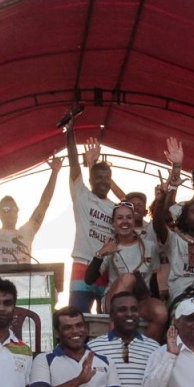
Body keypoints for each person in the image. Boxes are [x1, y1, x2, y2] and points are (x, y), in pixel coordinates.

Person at [0, 143, 62, 264]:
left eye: (14, 209)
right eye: (6, 209)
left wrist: (55, 172)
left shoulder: (27, 232)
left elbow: (44, 204)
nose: (11, 212)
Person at [86, 201, 167, 340]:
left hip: (140, 301)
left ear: (134, 220)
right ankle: (115, 341)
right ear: (113, 223)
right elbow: (88, 279)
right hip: (113, 302)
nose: (125, 221)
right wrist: (100, 254)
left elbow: (153, 280)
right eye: (120, 218)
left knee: (161, 312)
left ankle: (147, 350)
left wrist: (157, 301)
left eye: (129, 217)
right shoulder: (109, 247)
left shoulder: (150, 246)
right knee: (128, 278)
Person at [65, 117, 116, 311]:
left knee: (106, 320)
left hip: (107, 269)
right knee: (78, 317)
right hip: (82, 264)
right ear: (90, 180)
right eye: (98, 178)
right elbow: (73, 164)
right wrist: (70, 131)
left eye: (107, 178)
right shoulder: (82, 195)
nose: (103, 181)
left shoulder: (116, 208)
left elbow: (132, 206)